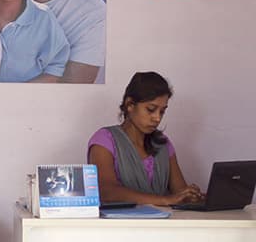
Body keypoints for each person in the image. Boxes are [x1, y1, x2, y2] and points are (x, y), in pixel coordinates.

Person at [87, 72, 203, 205]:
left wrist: (190, 196)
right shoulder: (105, 140)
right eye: (151, 109)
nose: (157, 118)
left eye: (162, 111)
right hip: (121, 225)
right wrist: (165, 200)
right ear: (130, 105)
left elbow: (179, 193)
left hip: (163, 224)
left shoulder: (163, 144)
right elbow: (106, 191)